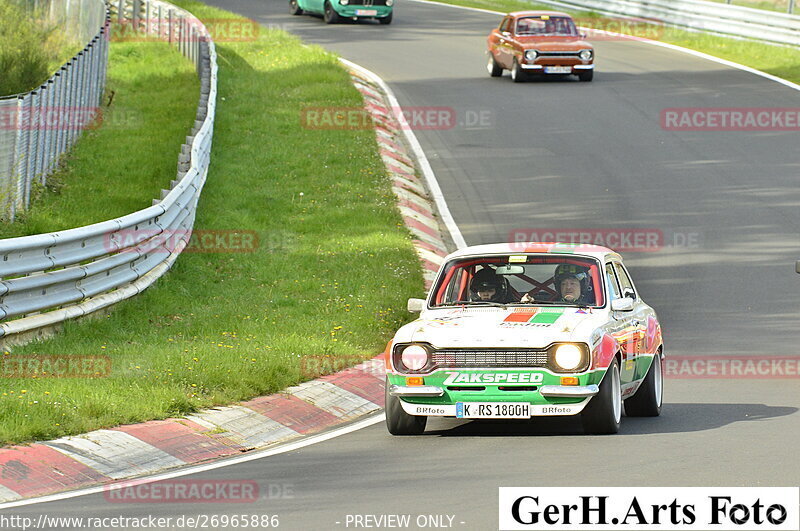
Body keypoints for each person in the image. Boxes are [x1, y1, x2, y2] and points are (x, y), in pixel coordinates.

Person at [521, 263, 593, 304]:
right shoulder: (550, 305)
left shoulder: (595, 306)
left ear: (582, 286)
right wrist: (526, 305)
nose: (568, 287)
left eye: (572, 283)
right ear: (558, 288)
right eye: (563, 284)